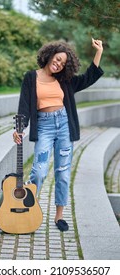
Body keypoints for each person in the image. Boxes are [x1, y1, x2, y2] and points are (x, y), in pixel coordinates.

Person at [13, 38, 103, 232]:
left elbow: (89, 77)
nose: (58, 64)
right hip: (44, 126)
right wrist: (19, 129)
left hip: (63, 125)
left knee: (62, 173)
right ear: (50, 54)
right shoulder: (31, 77)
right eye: (57, 59)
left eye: (63, 63)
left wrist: (99, 52)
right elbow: (25, 105)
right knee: (39, 171)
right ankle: (29, 209)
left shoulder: (65, 80)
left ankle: (59, 216)